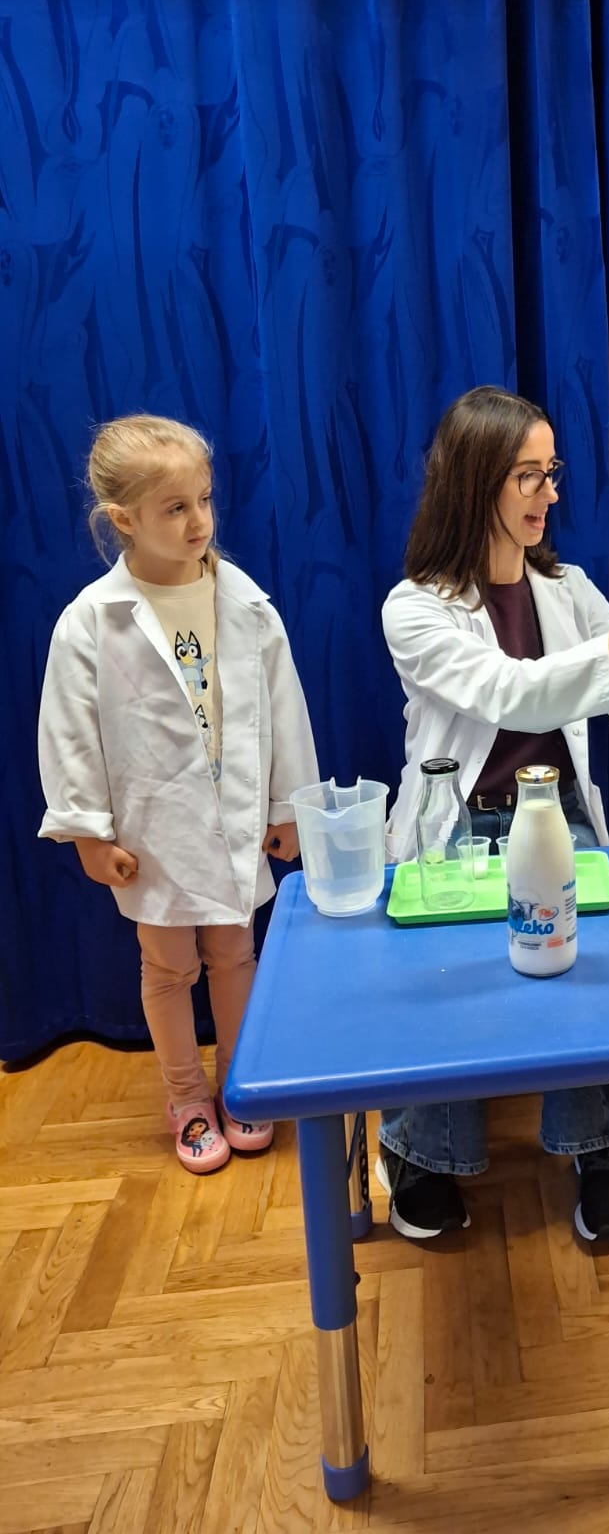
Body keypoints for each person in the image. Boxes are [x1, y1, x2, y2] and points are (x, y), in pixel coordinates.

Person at [377, 385, 609, 1243]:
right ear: (475, 481)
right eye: (528, 475)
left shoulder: (567, 590)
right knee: (448, 975)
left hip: (551, 812)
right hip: (457, 825)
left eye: (552, 471)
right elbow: (513, 691)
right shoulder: (416, 607)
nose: (550, 493)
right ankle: (423, 1150)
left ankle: (597, 1144)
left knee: (579, 966)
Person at [38, 415, 320, 1174]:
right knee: (167, 967)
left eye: (204, 500)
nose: (199, 521)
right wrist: (88, 831)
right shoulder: (90, 623)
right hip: (153, 829)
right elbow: (69, 733)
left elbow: (285, 709)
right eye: (174, 507)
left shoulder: (247, 606)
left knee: (235, 952)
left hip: (234, 818)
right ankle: (187, 1097)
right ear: (123, 519)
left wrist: (287, 807)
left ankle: (241, 1084)